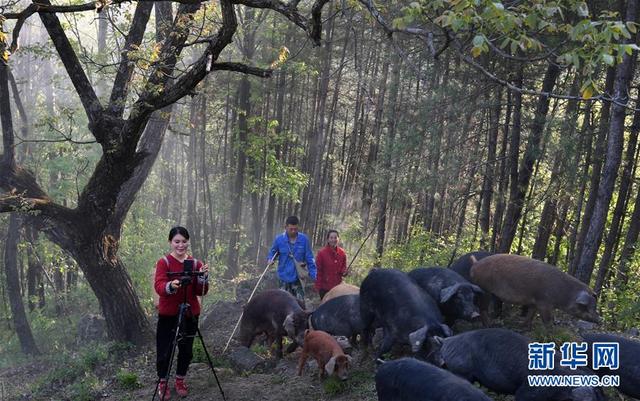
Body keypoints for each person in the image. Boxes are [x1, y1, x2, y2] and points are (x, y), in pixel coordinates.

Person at [154, 226, 209, 400]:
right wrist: (171, 286)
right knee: (165, 350)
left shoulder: (195, 264)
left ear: (188, 242)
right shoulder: (164, 262)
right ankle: (163, 382)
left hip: (190, 314)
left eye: (184, 242)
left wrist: (203, 278)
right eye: (177, 241)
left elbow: (201, 292)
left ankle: (180, 380)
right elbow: (159, 286)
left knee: (186, 350)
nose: (180, 245)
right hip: (168, 314)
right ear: (170, 242)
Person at [267, 216, 317, 304]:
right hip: (283, 278)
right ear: (285, 227)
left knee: (300, 304)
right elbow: (272, 252)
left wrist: (314, 276)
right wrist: (270, 259)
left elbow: (310, 258)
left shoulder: (304, 239)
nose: (293, 231)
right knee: (283, 305)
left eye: (295, 229)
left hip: (298, 278)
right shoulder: (279, 239)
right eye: (291, 229)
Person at [314, 230, 348, 300]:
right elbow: (318, 271)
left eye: (335, 237)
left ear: (338, 239)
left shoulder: (342, 253)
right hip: (325, 288)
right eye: (331, 238)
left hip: (338, 288)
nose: (333, 240)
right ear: (328, 239)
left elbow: (343, 267)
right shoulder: (321, 253)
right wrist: (318, 287)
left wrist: (344, 272)